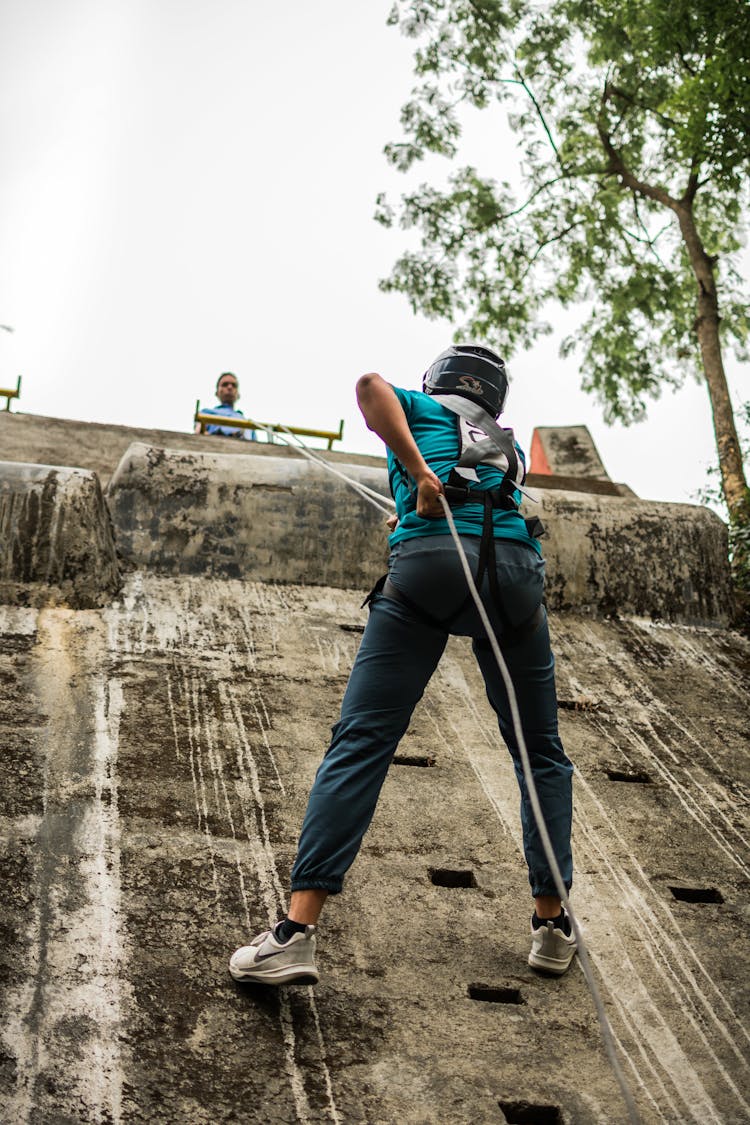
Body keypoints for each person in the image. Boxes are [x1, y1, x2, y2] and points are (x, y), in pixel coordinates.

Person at [229, 344, 576, 985]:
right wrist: (422, 486)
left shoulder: (417, 406)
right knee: (540, 753)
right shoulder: (503, 445)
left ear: (436, 382)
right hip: (514, 578)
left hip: (427, 566)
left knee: (362, 741)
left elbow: (368, 387)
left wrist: (416, 474)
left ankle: (296, 931)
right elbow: (480, 500)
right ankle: (551, 926)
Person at [197, 372, 256, 440]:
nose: (230, 387)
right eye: (225, 384)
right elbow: (198, 434)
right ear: (217, 392)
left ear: (238, 394)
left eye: (234, 385)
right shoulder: (206, 413)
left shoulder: (248, 423)